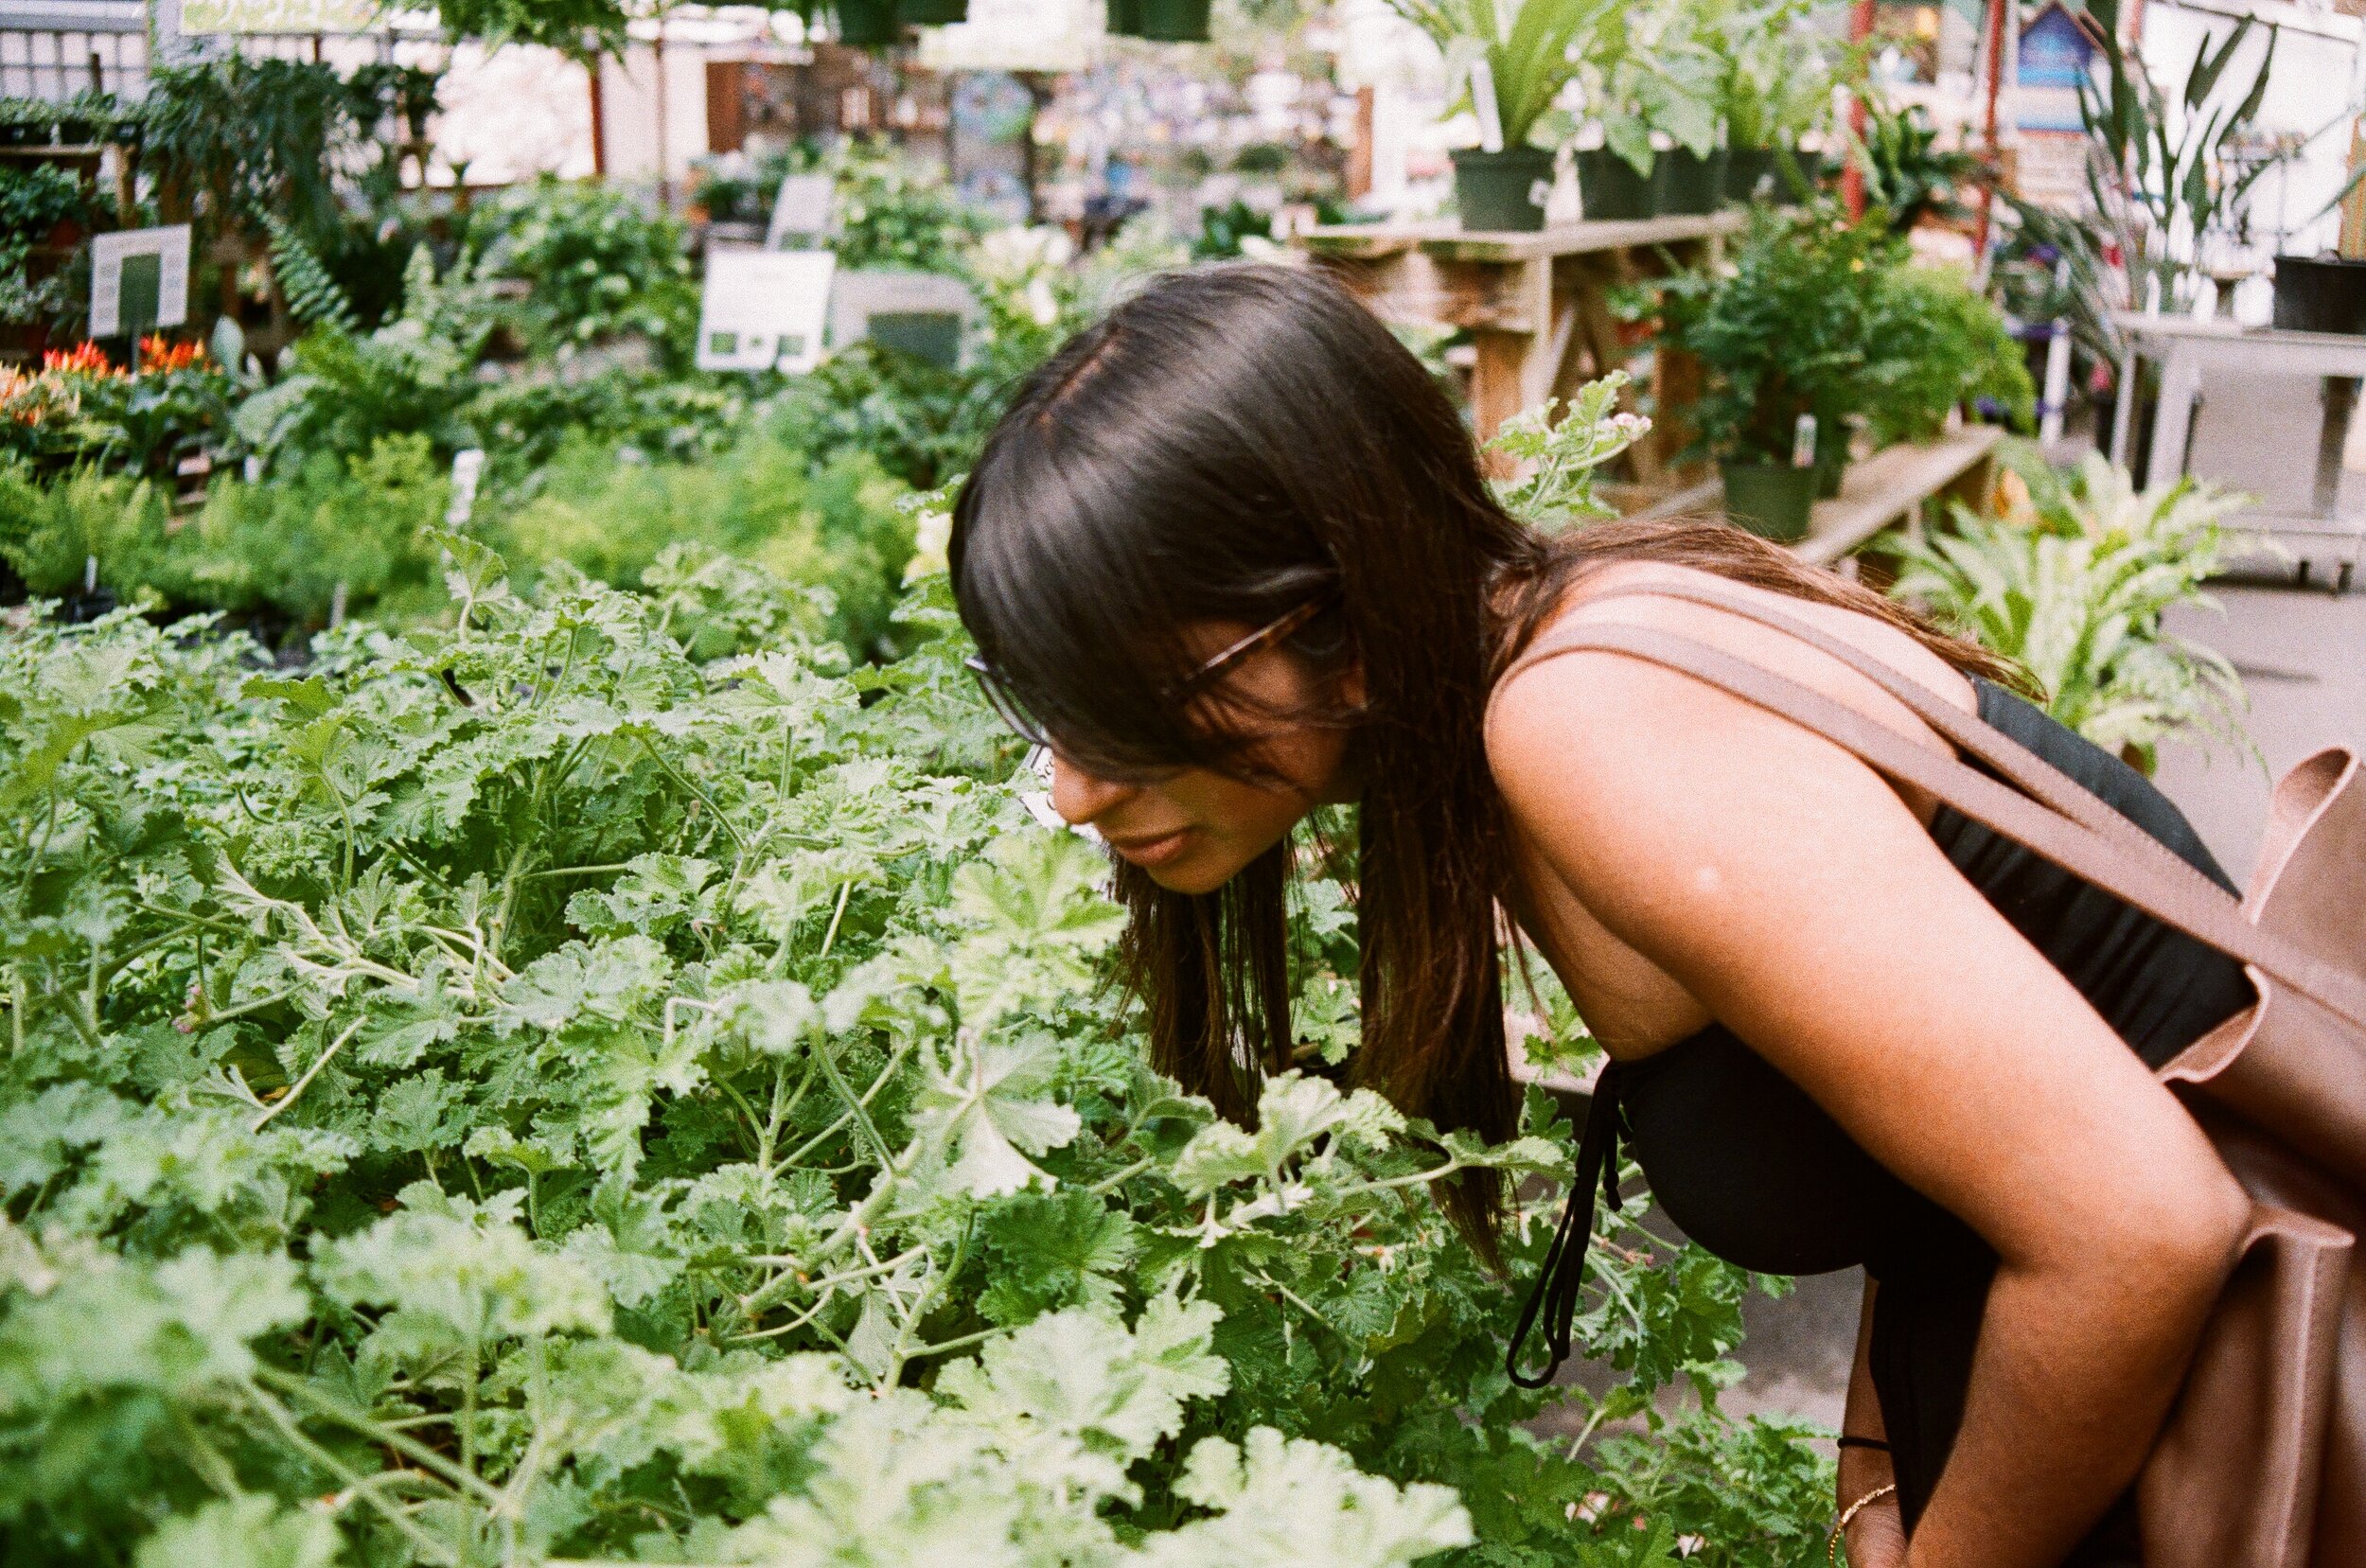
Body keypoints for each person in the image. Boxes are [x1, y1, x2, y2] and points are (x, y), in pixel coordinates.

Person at [946, 263, 2253, 1568]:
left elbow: (2136, 1228)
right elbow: (1951, 1139)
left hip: (2213, 1429)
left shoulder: (1592, 730)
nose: (1073, 792)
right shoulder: (1570, 623)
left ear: (1335, 610)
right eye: (1048, 709)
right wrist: (1874, 1469)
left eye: (1127, 709)